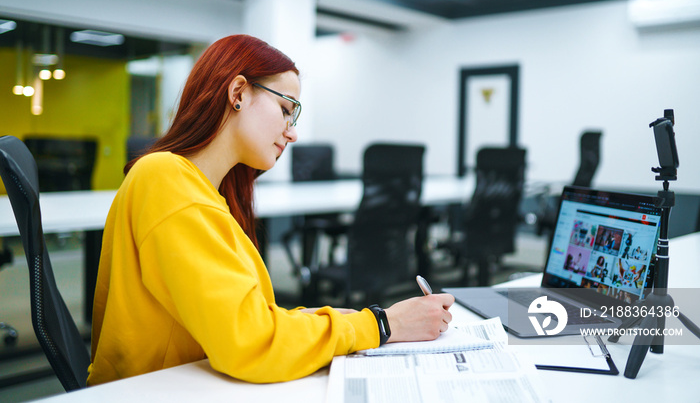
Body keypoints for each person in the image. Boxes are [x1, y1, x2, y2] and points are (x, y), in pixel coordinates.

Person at [87, 34, 454, 386]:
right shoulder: (164, 178)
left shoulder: (205, 193)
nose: (291, 133)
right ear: (238, 93)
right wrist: (383, 324)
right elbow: (249, 341)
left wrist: (334, 323)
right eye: (285, 109)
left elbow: (241, 318)